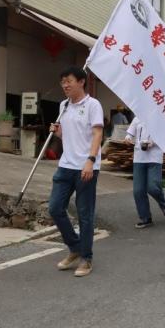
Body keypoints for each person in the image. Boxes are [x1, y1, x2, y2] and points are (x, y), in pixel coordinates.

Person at [49, 66, 104, 277]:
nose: (65, 85)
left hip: (85, 167)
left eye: (69, 81)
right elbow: (68, 136)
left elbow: (97, 134)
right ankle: (75, 247)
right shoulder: (63, 105)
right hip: (65, 165)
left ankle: (86, 258)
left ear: (81, 82)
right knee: (55, 208)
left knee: (84, 214)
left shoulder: (93, 105)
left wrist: (90, 160)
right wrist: (57, 132)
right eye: (62, 82)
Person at [125, 117, 165, 229]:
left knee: (153, 187)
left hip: (154, 158)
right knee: (138, 191)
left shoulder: (160, 118)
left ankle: (164, 205)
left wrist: (153, 143)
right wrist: (128, 138)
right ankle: (145, 218)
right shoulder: (137, 118)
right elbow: (129, 134)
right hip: (139, 158)